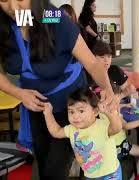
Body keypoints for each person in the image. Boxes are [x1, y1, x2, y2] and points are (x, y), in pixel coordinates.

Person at [0, 0, 114, 179]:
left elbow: (92, 63)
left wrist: (108, 90)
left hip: (72, 106)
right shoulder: (6, 23)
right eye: (4, 0)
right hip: (38, 107)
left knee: (59, 170)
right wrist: (19, 93)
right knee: (45, 165)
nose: (13, 8)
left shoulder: (51, 18)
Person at [43, 88, 123, 180]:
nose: (75, 116)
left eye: (81, 111)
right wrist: (48, 114)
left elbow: (117, 128)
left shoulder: (102, 125)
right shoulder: (72, 129)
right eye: (71, 112)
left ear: (95, 111)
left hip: (110, 174)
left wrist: (108, 112)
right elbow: (56, 131)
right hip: (90, 175)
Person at [104, 81, 139, 177]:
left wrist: (123, 105)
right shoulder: (114, 114)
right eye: (117, 100)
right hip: (119, 146)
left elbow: (113, 105)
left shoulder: (102, 109)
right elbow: (126, 126)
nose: (118, 102)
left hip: (106, 147)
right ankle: (134, 177)